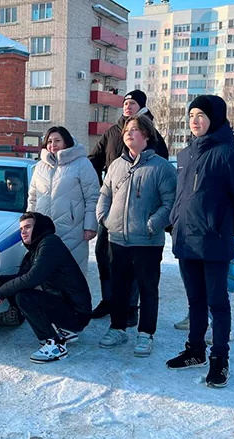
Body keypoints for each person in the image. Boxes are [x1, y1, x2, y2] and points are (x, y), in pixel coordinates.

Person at [166, 95, 234, 389]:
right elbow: (181, 197)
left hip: (214, 241)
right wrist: (175, 222)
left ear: (215, 118)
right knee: (195, 302)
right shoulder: (184, 155)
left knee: (217, 303)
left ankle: (220, 358)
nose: (195, 120)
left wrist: (227, 227)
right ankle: (195, 351)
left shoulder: (229, 155)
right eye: (191, 115)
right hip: (186, 240)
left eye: (201, 115)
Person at [96, 113, 176, 354]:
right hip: (118, 238)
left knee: (147, 288)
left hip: (147, 241)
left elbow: (170, 203)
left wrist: (152, 224)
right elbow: (105, 194)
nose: (129, 133)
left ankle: (145, 333)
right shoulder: (116, 166)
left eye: (135, 130)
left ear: (146, 135)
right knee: (119, 287)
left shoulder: (161, 167)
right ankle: (117, 328)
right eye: (127, 130)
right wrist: (105, 218)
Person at [88, 89, 169, 322]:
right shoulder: (113, 132)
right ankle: (109, 300)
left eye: (132, 103)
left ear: (141, 107)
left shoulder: (150, 132)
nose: (127, 106)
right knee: (104, 254)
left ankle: (131, 308)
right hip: (113, 208)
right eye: (124, 102)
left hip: (139, 211)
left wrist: (154, 218)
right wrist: (101, 189)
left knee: (135, 262)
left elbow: (160, 170)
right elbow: (94, 158)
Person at [0, 212, 92, 363]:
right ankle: (64, 330)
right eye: (21, 228)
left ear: (39, 228)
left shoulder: (50, 244)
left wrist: (2, 291)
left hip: (77, 312)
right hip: (67, 306)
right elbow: (22, 276)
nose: (23, 232)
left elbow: (32, 278)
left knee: (24, 297)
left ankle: (55, 346)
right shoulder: (36, 248)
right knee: (18, 293)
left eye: (28, 227)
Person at [27, 126, 99, 273]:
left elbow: (92, 197)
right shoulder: (40, 166)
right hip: (44, 229)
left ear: (66, 142)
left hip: (72, 228)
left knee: (72, 272)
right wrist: (29, 224)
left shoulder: (82, 164)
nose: (52, 145)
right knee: (45, 271)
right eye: (49, 141)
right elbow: (33, 197)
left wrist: (90, 226)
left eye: (57, 140)